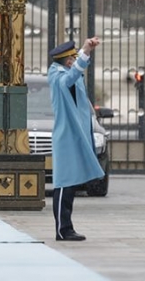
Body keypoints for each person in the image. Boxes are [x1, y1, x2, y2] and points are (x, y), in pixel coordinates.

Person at [47, 37, 104, 242]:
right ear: (68, 61)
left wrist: (85, 51)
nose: (75, 60)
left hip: (74, 133)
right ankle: (62, 229)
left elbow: (74, 74)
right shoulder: (57, 75)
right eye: (73, 57)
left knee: (70, 182)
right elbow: (69, 79)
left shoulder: (64, 71)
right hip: (67, 134)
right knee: (64, 183)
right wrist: (86, 51)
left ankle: (66, 227)